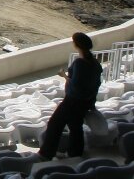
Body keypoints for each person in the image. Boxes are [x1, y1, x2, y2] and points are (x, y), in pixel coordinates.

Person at [39, 32, 103, 160]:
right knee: (75, 126)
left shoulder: (80, 63)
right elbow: (96, 84)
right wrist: (92, 103)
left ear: (76, 45)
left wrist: (63, 75)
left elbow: (75, 84)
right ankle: (75, 153)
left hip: (72, 101)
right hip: (85, 102)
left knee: (54, 124)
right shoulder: (95, 64)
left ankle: (46, 153)